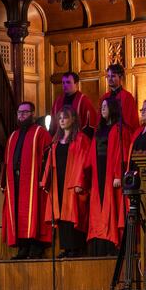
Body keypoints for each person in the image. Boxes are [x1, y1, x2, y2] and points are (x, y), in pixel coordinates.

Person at [2, 102, 52, 259]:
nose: (22, 115)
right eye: (19, 113)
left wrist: (43, 179)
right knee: (18, 214)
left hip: (33, 181)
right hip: (15, 181)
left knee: (33, 212)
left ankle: (36, 248)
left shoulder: (40, 133)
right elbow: (6, 161)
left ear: (32, 114)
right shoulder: (13, 136)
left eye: (25, 112)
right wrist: (4, 182)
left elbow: (48, 158)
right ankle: (22, 248)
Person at [41, 106, 91, 258]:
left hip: (73, 182)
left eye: (65, 117)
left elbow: (85, 161)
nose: (62, 120)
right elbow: (50, 162)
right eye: (60, 118)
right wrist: (46, 181)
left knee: (73, 213)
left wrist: (79, 182)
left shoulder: (81, 139)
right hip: (59, 182)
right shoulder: (56, 141)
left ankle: (76, 248)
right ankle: (66, 248)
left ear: (73, 119)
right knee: (61, 215)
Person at [82, 98, 129, 256]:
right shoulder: (99, 130)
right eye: (101, 106)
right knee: (98, 207)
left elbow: (121, 153)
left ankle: (112, 245)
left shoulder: (119, 129)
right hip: (98, 173)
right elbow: (90, 155)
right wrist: (85, 175)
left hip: (111, 174)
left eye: (105, 107)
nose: (102, 109)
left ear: (113, 108)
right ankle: (99, 245)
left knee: (111, 206)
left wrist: (118, 174)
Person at [49, 71, 98, 137]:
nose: (65, 85)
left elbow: (90, 124)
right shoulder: (58, 101)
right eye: (63, 83)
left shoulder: (83, 100)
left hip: (77, 140)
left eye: (68, 82)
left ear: (76, 84)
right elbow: (53, 123)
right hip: (60, 138)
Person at [101, 63, 139, 132]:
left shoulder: (127, 97)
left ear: (121, 77)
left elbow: (132, 122)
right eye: (108, 76)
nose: (110, 79)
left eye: (113, 76)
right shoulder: (105, 97)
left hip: (121, 135)